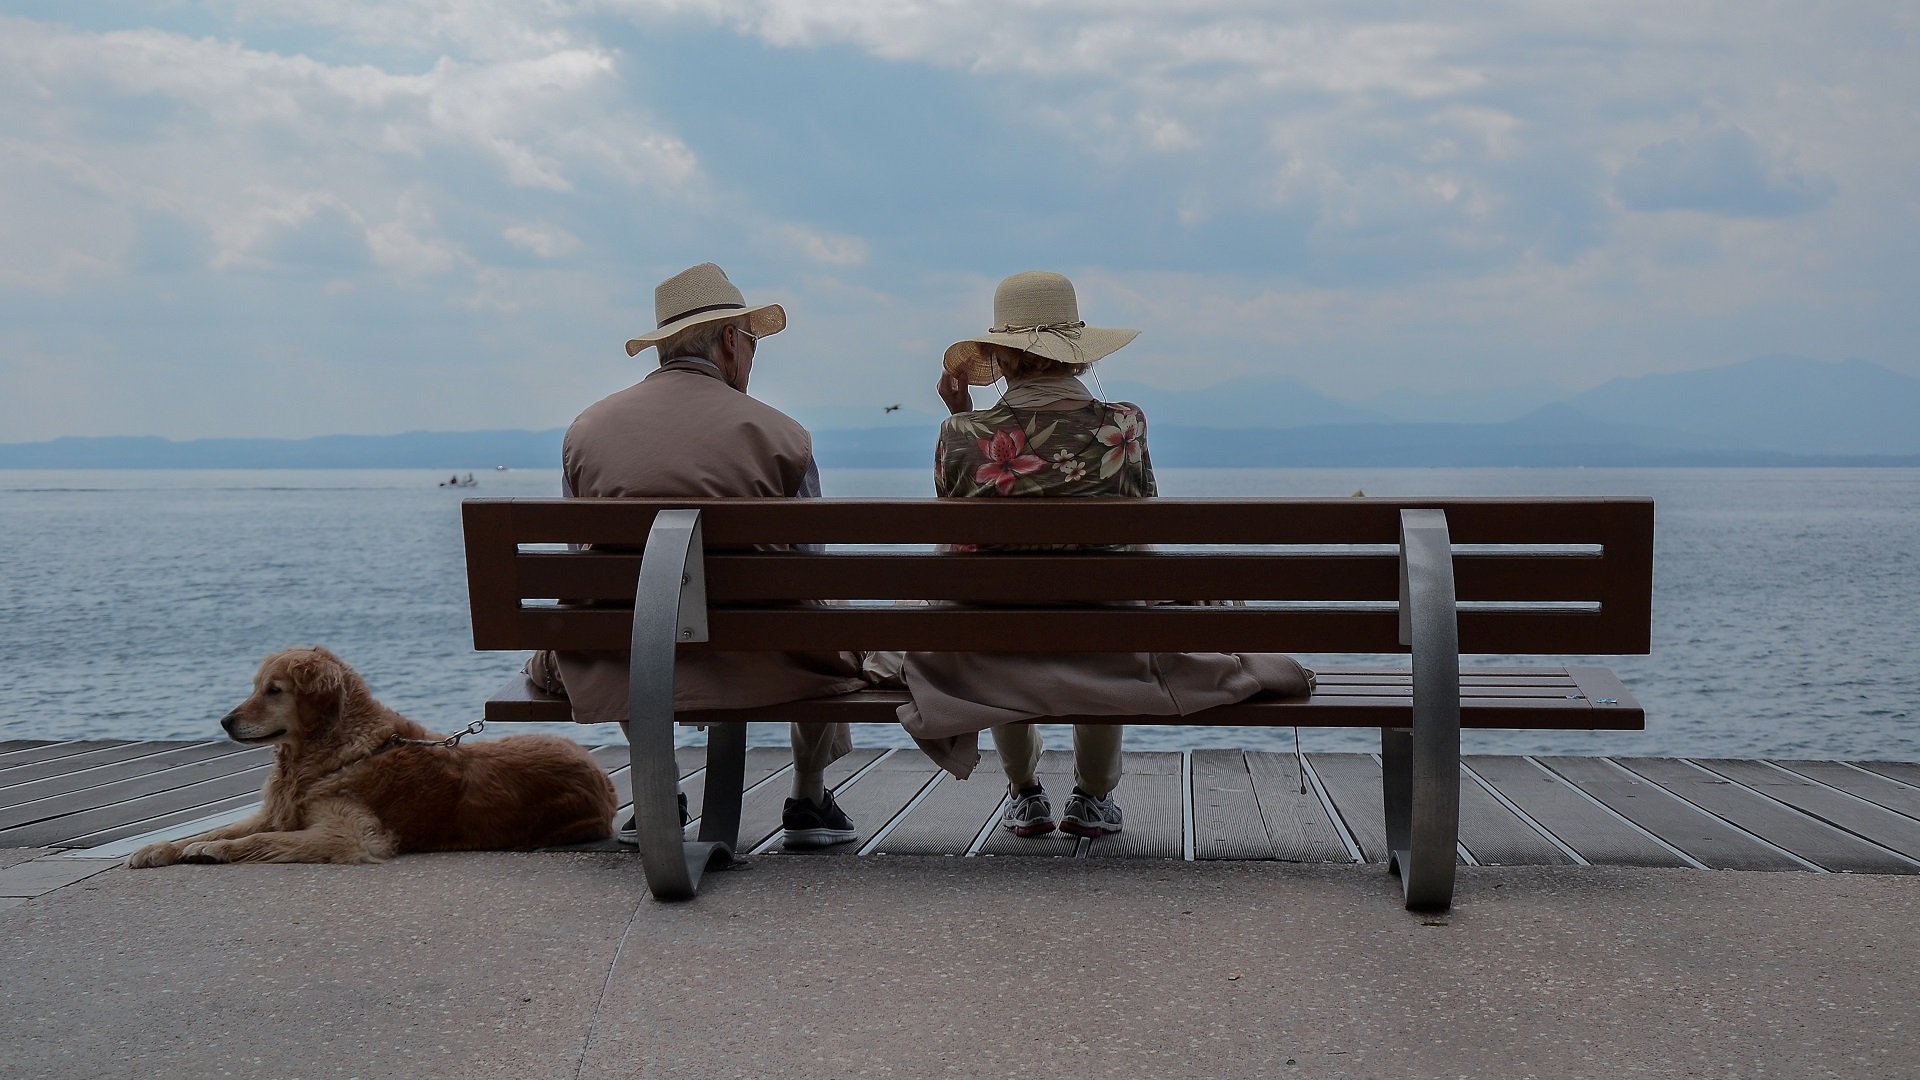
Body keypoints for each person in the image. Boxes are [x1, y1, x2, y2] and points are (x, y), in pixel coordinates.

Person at [897, 271, 1313, 839]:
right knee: (1112, 610)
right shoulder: (1124, 424)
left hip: (992, 643)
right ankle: (1092, 796)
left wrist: (962, 413)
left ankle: (1023, 792)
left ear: (1000, 354)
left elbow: (954, 540)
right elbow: (1143, 522)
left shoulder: (961, 432)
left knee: (988, 615)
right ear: (1076, 353)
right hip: (1109, 638)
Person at [523, 262, 869, 849]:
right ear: (731, 341)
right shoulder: (784, 435)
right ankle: (809, 797)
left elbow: (579, 557)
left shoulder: (587, 430)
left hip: (618, 657)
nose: (754, 356)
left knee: (623, 613)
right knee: (822, 613)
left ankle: (659, 791)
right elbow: (811, 564)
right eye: (753, 341)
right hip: (765, 659)